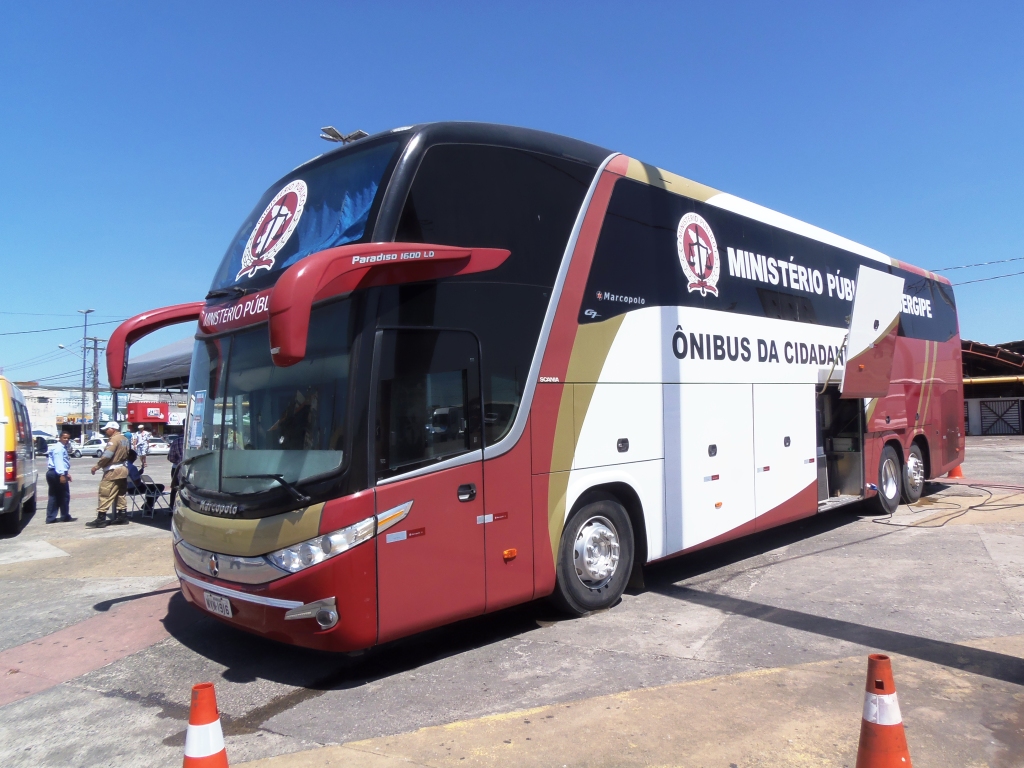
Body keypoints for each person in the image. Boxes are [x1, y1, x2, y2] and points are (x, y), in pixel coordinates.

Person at [87, 421, 130, 528]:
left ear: (113, 429)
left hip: (112, 470)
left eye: (107, 429)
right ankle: (122, 516)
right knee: (121, 494)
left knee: (105, 493)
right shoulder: (125, 439)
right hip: (123, 469)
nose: (106, 431)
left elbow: (107, 455)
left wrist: (97, 466)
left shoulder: (113, 440)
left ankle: (101, 519)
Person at [45, 432, 76, 524]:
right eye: (64, 438)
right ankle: (64, 516)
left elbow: (62, 463)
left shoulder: (60, 447)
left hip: (55, 472)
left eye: (68, 438)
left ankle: (51, 517)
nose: (66, 440)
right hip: (56, 473)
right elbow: (58, 462)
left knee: (54, 496)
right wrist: (62, 474)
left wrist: (66, 474)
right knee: (63, 496)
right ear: (60, 438)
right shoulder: (59, 449)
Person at [166, 433, 183, 509]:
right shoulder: (197, 441)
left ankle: (172, 506)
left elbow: (171, 457)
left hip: (177, 467)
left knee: (175, 488)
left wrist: (179, 461)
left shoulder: (176, 441)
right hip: (193, 468)